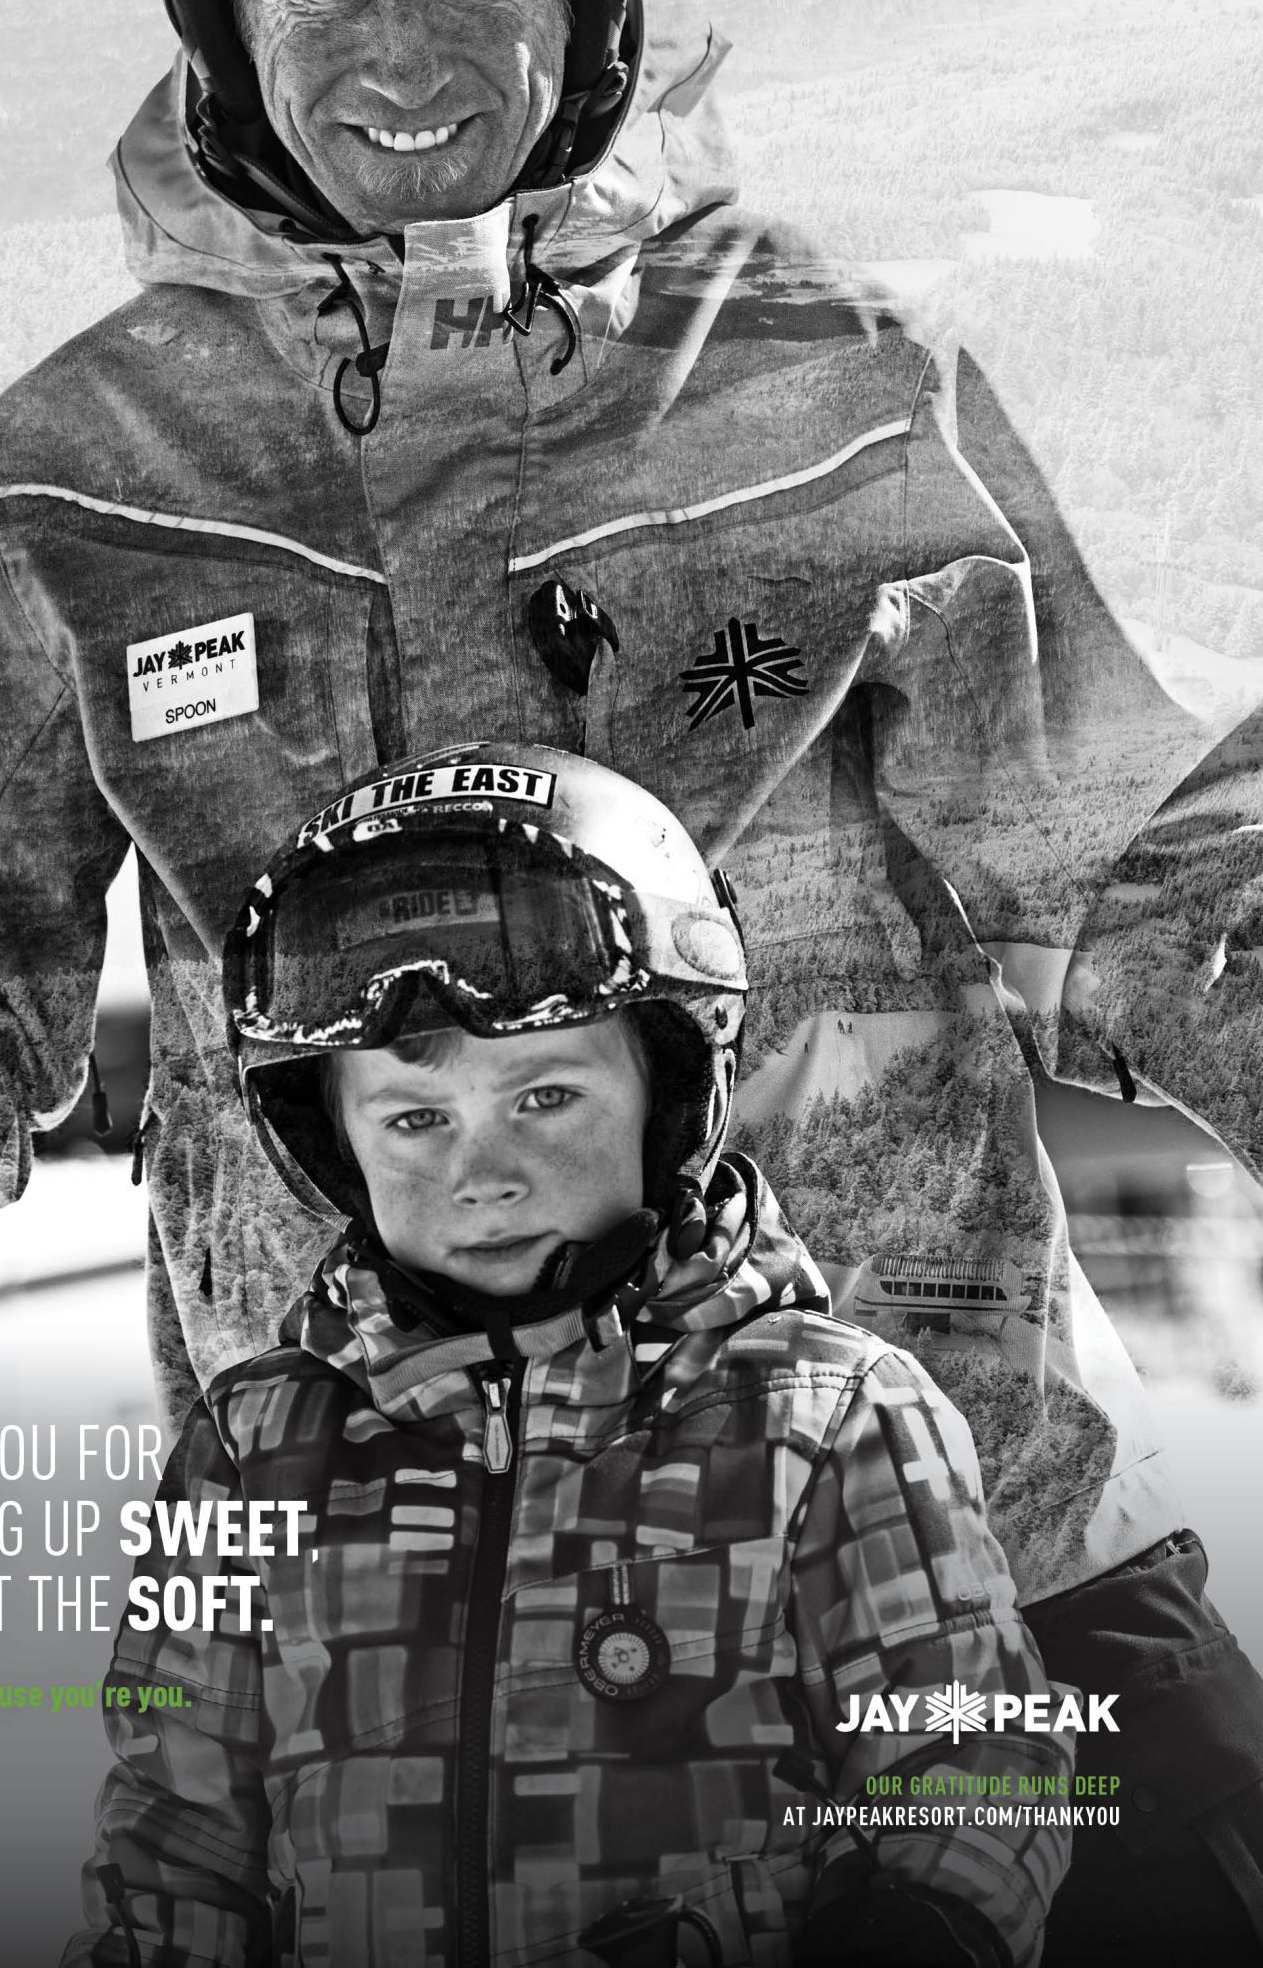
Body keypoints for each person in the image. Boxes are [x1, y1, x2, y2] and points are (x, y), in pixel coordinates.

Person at [0, 0, 1259, 1955]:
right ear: (217, 15)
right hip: (382, 1663)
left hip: (962, 1562)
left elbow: (1141, 869)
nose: (399, 58)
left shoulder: (837, 394)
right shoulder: (76, 484)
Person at [67, 743, 1073, 1968]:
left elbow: (977, 1764)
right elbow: (174, 1837)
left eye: (545, 1097)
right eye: (414, 1119)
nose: (481, 1174)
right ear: (329, 1143)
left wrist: (918, 1934)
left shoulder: (826, 1416)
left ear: (669, 1095)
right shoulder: (254, 1448)